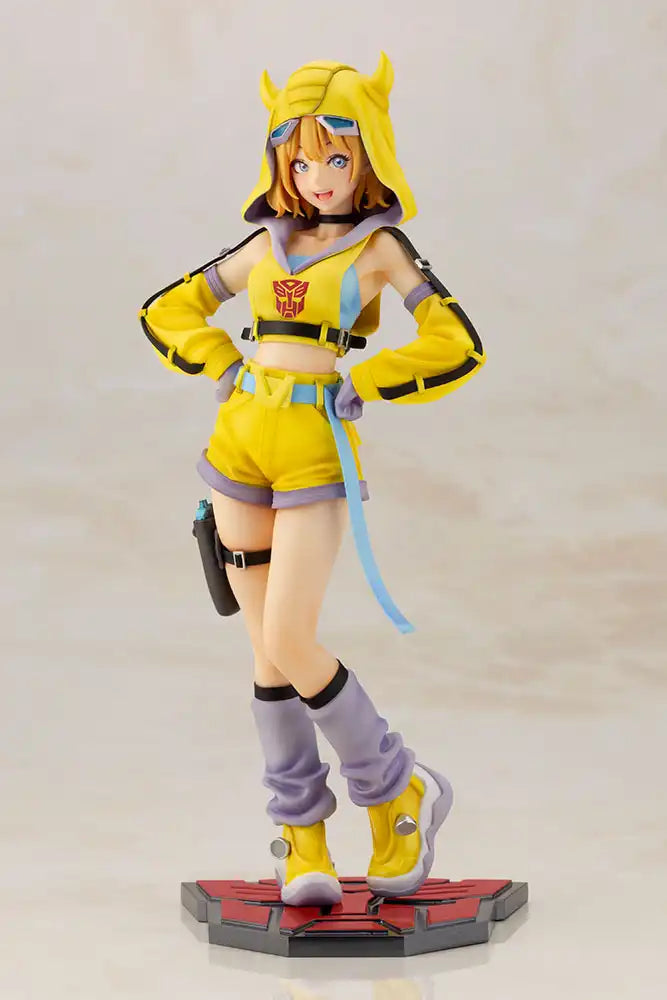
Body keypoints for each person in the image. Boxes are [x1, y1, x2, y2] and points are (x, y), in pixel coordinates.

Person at [139, 55, 485, 907]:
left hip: (313, 452)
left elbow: (455, 342)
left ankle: (394, 788)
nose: (318, 177)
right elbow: (168, 308)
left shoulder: (379, 248)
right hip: (237, 448)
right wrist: (222, 363)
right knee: (265, 655)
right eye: (299, 161)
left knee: (292, 639)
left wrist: (368, 379)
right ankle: (301, 836)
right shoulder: (266, 243)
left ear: (368, 157)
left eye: (336, 157)